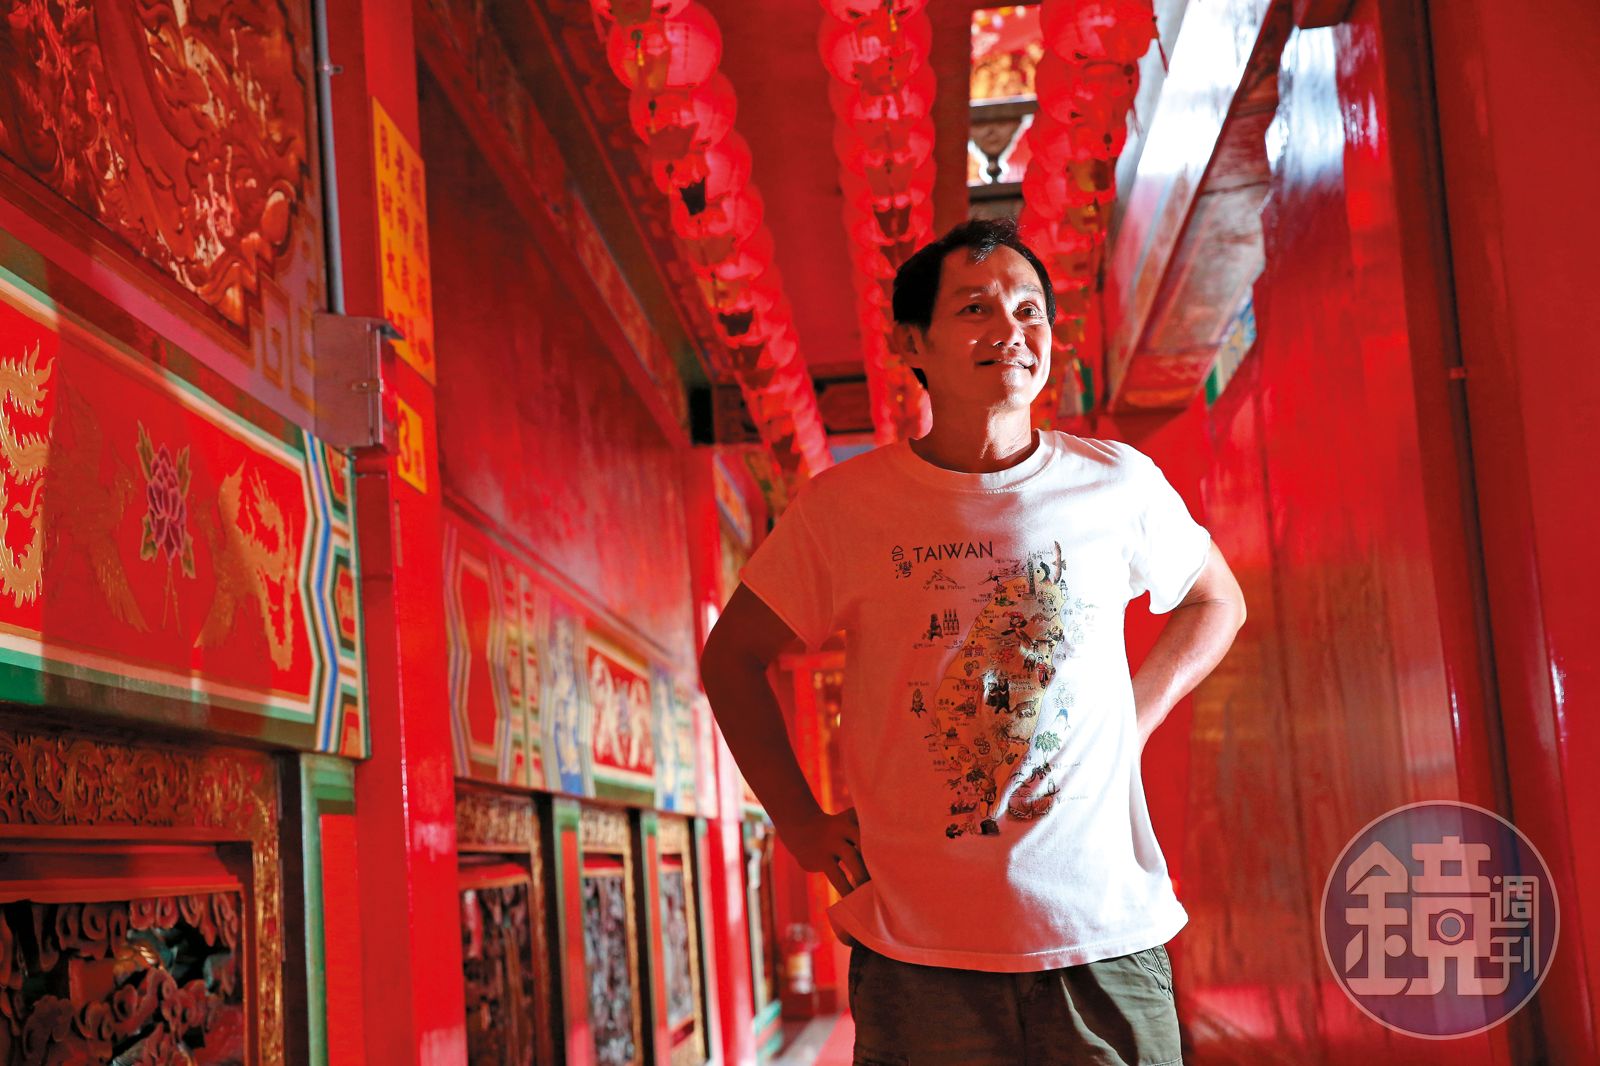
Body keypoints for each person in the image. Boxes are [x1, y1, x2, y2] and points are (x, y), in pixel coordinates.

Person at [699, 218, 1246, 1065]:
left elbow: (1218, 599)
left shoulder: (1116, 483)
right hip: (919, 955)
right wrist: (800, 822)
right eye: (975, 309)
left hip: (1103, 938)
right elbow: (731, 657)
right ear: (911, 343)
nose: (1011, 331)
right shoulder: (844, 510)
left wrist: (1132, 721)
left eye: (1029, 310)